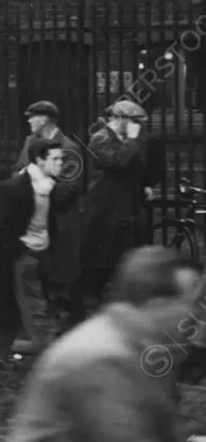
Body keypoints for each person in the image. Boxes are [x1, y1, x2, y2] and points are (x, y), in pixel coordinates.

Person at [0, 246, 206, 442]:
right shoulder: (103, 356)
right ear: (157, 304)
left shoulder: (143, 348)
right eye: (188, 303)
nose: (192, 314)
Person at [0, 137, 62, 372]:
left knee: (11, 307)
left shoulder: (50, 187)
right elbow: (2, 228)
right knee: (37, 310)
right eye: (56, 159)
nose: (61, 163)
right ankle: (61, 361)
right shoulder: (15, 188)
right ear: (40, 160)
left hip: (39, 253)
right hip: (22, 257)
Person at [76, 100, 147, 319]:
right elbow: (118, 162)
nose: (137, 126)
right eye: (133, 121)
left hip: (124, 208)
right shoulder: (100, 139)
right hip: (105, 210)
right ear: (119, 118)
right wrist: (133, 140)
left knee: (121, 257)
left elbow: (134, 168)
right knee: (101, 260)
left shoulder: (125, 140)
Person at [14, 101, 84, 320]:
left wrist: (40, 190)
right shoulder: (30, 143)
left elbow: (71, 187)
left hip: (58, 220)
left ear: (44, 120)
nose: (28, 121)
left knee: (58, 277)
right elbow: (19, 171)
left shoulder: (68, 148)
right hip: (35, 220)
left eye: (32, 117)